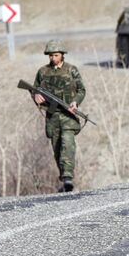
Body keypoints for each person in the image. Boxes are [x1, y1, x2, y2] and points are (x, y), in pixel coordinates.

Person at [32, 39, 86, 192]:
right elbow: (34, 89)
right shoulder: (42, 72)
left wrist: (75, 102)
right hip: (52, 116)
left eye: (55, 55)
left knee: (67, 143)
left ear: (62, 55)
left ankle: (68, 176)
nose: (53, 58)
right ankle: (64, 179)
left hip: (68, 115)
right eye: (50, 56)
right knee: (56, 149)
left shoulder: (71, 70)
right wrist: (36, 95)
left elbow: (82, 90)